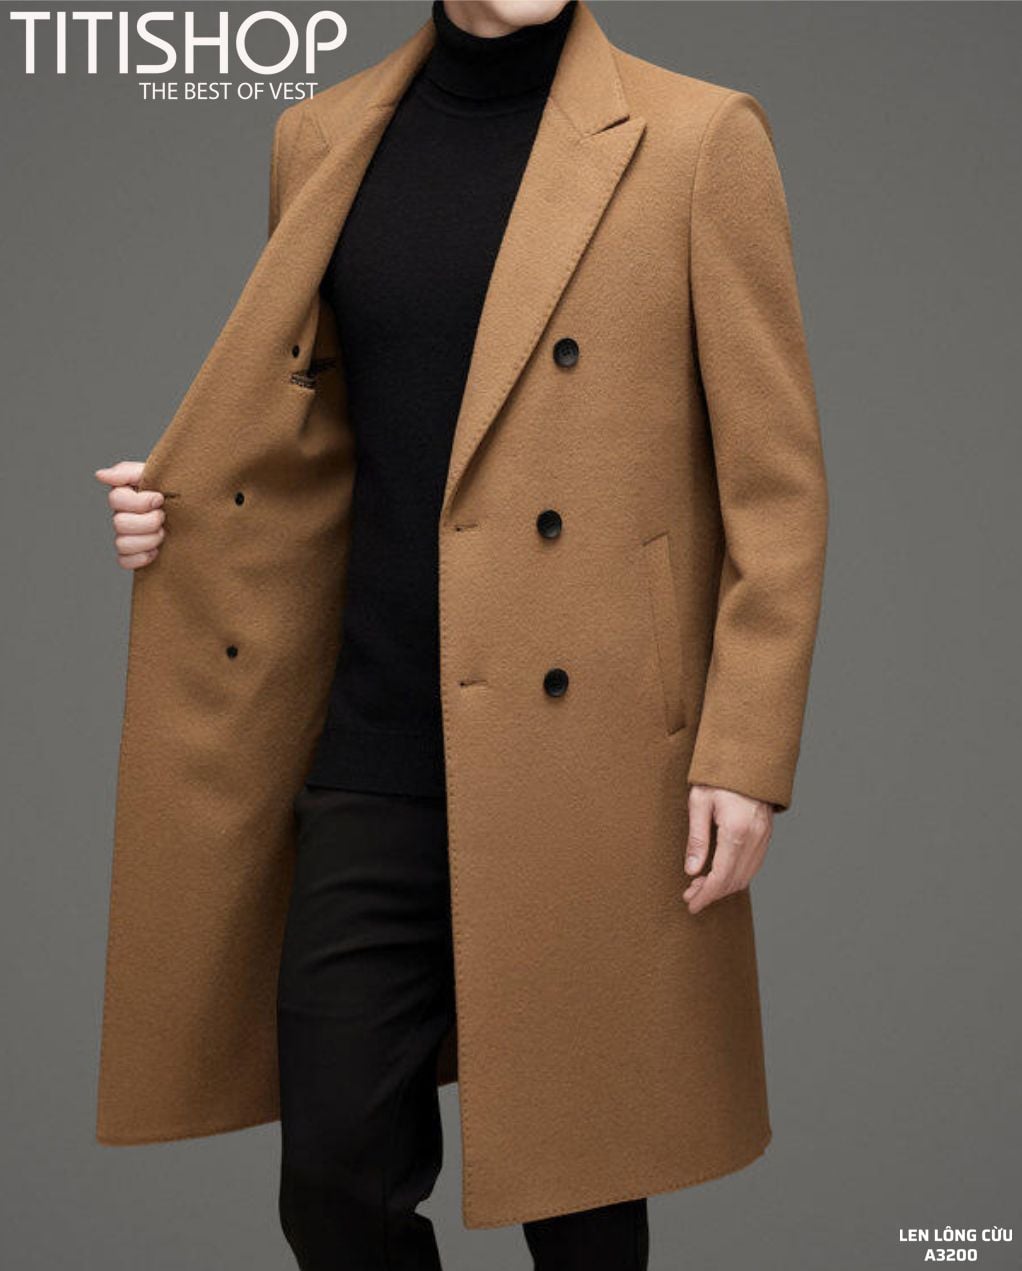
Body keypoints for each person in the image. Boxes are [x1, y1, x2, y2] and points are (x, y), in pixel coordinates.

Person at [94, 2, 828, 1268]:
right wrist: (188, 513)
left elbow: (775, 483)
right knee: (336, 1180)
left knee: (582, 1192)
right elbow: (314, 438)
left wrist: (743, 750)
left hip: (588, 755)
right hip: (376, 736)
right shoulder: (321, 136)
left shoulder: (698, 137)